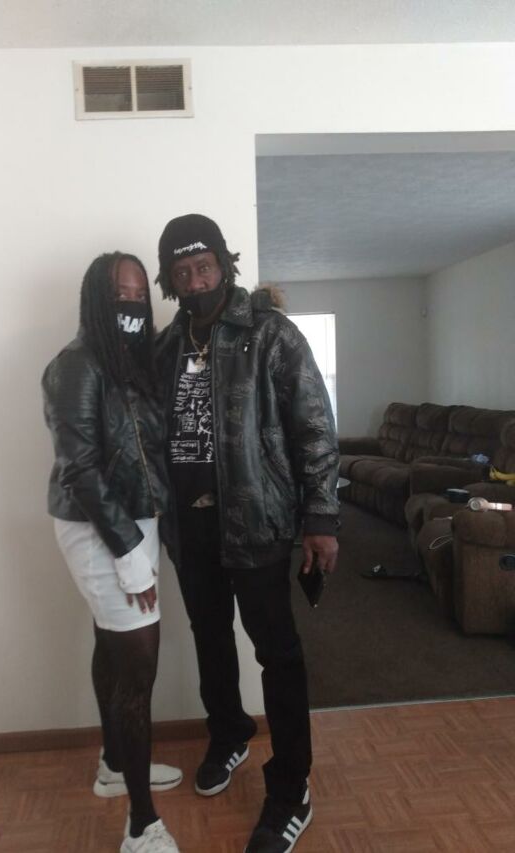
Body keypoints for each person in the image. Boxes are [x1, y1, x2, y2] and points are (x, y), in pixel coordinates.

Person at [155, 215, 339, 853]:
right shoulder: (167, 346)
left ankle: (291, 789)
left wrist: (321, 518)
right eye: (182, 273)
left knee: (277, 655)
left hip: (256, 522)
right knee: (210, 639)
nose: (195, 281)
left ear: (224, 265)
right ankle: (230, 733)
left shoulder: (271, 333)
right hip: (189, 530)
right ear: (170, 281)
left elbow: (315, 428)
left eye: (204, 267)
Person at [42, 252, 182, 853]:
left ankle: (115, 766)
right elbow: (80, 469)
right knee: (138, 666)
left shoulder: (133, 362)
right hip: (98, 527)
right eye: (119, 292)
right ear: (96, 299)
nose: (131, 302)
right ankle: (141, 825)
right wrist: (128, 553)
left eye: (138, 293)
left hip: (135, 521)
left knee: (115, 644)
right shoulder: (76, 364)